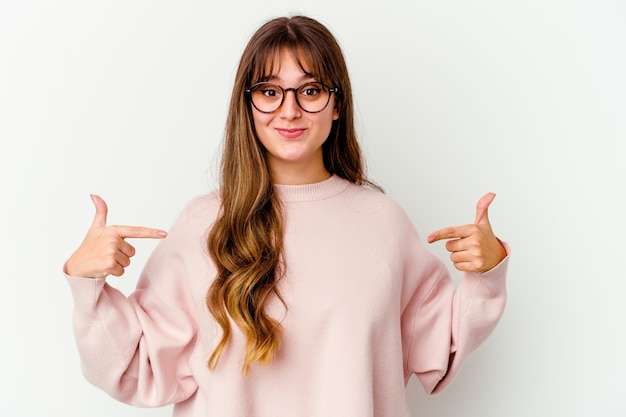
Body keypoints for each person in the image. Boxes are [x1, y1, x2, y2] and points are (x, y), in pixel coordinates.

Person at [64, 15, 509, 417]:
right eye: (270, 92)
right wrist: (88, 285)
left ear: (337, 106)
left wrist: (486, 273)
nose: (290, 109)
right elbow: (136, 368)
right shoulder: (203, 225)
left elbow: (438, 348)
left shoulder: (383, 223)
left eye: (311, 90)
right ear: (248, 106)